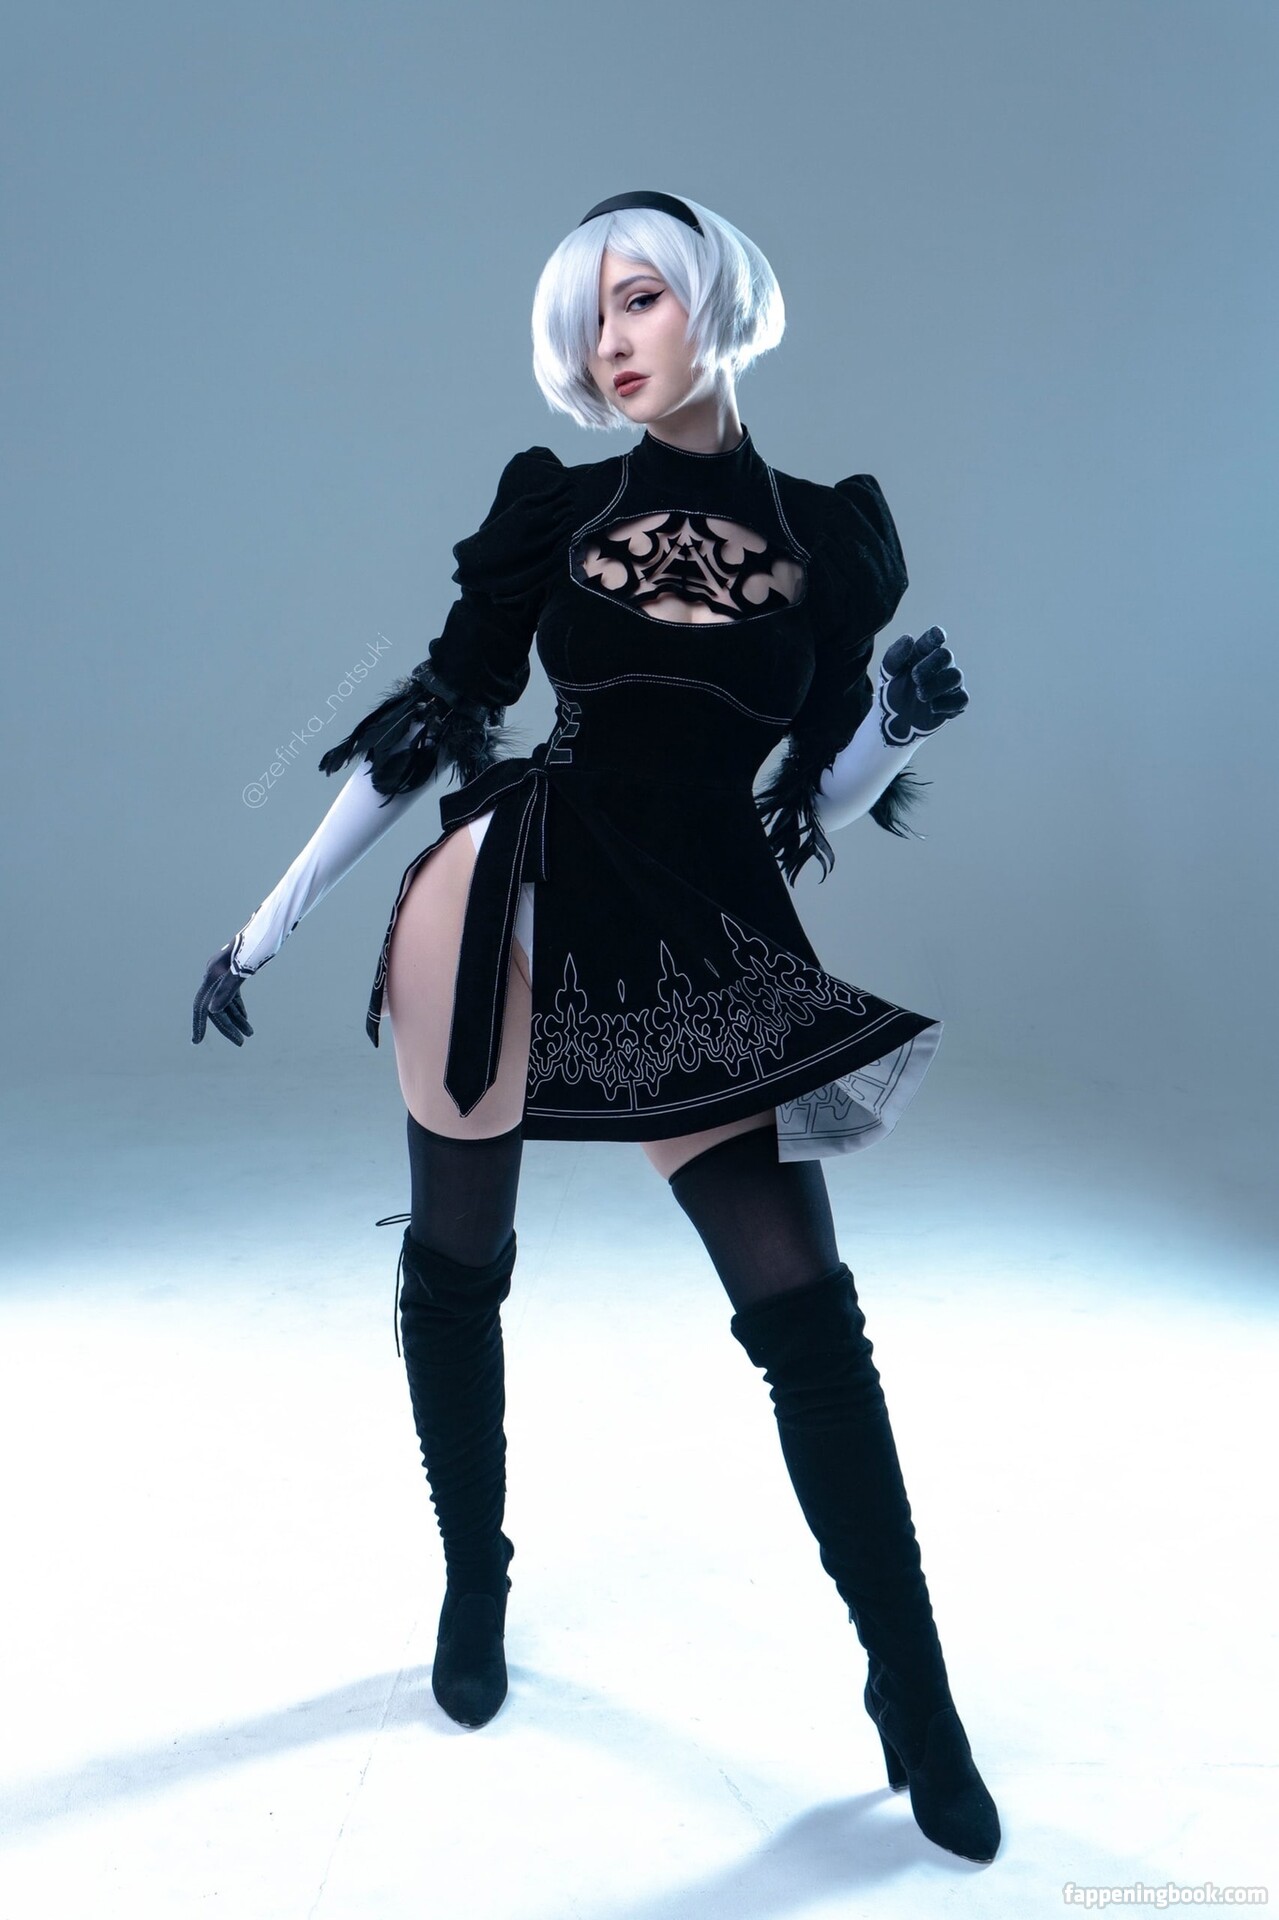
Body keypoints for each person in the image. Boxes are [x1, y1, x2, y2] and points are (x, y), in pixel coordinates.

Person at [192, 189, 998, 1864]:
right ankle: (472, 1586)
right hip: (512, 893)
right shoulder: (554, 511)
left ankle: (915, 1695)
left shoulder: (831, 539)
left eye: (639, 299)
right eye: (587, 317)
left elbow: (808, 798)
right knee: (457, 1255)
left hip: (694, 913)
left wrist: (897, 732)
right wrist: (261, 927)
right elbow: (436, 722)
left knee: (805, 1309)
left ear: (715, 301)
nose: (609, 340)